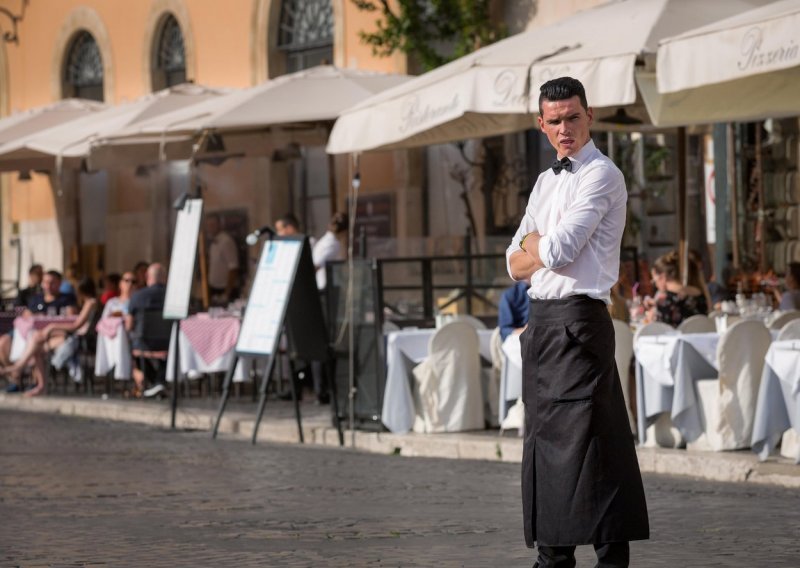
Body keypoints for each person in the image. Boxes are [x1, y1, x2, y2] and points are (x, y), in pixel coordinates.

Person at [506, 77, 648, 567]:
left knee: (596, 451)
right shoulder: (546, 182)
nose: (564, 129)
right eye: (555, 120)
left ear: (590, 115)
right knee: (544, 451)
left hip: (580, 323)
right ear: (541, 125)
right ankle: (552, 560)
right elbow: (512, 263)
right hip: (541, 325)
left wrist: (535, 247)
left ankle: (610, 561)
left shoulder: (602, 175)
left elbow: (561, 251)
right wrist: (535, 248)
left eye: (572, 117)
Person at [2, 278, 98, 396]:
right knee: (37, 343)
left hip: (78, 339)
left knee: (36, 340)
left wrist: (52, 326)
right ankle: (38, 383)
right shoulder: (35, 297)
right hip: (71, 336)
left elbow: (76, 325)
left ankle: (20, 368)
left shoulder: (90, 303)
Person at [125, 263, 167, 396]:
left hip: (143, 342)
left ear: (147, 277)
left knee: (132, 351)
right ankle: (159, 382)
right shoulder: (172, 296)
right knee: (167, 356)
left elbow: (129, 326)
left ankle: (156, 381)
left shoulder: (137, 296)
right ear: (165, 278)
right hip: (169, 342)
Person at [646, 251, 708, 327]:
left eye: (654, 280)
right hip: (700, 338)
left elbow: (657, 331)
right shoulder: (699, 294)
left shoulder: (664, 301)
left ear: (662, 277)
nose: (655, 284)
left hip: (674, 338)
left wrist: (651, 319)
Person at [205, 214, 240, 305]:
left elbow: (233, 268)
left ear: (219, 225)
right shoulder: (213, 242)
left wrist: (226, 294)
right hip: (214, 289)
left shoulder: (226, 241)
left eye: (212, 225)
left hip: (225, 290)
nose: (210, 228)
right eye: (208, 225)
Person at [312, 212, 347, 290]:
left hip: (322, 284)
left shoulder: (324, 240)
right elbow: (318, 264)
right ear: (344, 231)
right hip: (326, 286)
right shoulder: (332, 244)